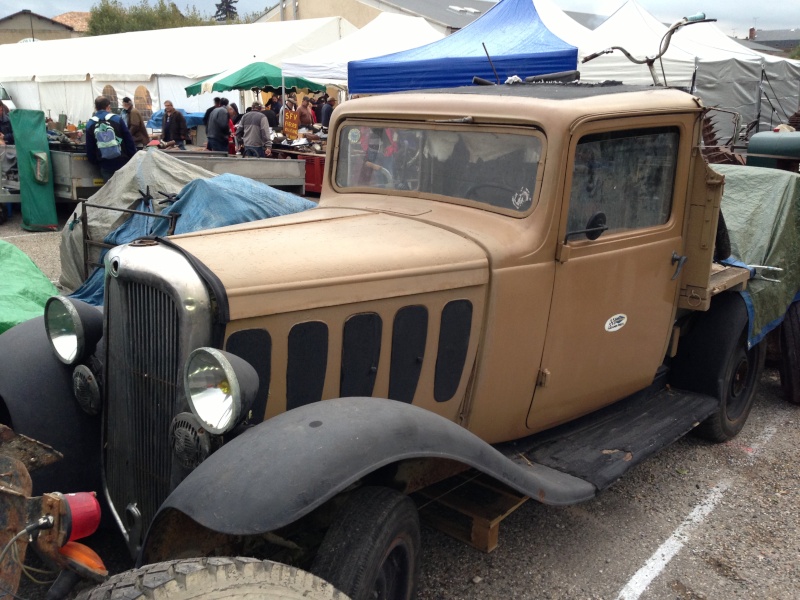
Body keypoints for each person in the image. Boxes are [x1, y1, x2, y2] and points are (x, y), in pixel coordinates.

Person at [85, 95, 136, 181]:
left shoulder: (90, 123)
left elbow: (89, 147)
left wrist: (96, 161)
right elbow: (129, 140)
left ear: (95, 107)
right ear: (108, 106)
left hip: (105, 163)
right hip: (121, 161)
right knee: (123, 189)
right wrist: (132, 156)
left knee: (110, 191)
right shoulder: (117, 119)